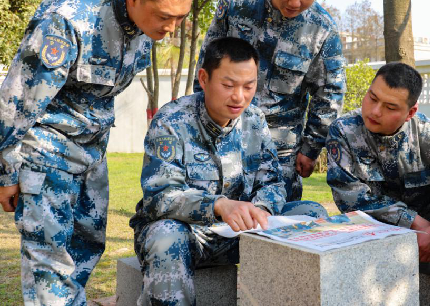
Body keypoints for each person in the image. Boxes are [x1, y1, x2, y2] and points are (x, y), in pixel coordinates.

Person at [0, 0, 195, 305]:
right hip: (45, 153)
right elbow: (16, 101)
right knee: (50, 268)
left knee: (86, 250)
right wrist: (6, 172)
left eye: (180, 18)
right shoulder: (70, 19)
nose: (171, 28)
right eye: (165, 16)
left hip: (92, 155)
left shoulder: (144, 26)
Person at [130, 36, 327, 305]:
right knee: (166, 235)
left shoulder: (254, 119)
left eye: (249, 86)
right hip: (190, 235)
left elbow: (272, 182)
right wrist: (220, 205)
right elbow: (161, 195)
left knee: (313, 214)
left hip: (241, 234)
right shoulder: (173, 121)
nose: (239, 96)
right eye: (228, 85)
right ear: (203, 78)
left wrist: (261, 211)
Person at [193, 0, 346, 202]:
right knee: (216, 220)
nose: (295, 2)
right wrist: (199, 121)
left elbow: (329, 94)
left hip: (280, 151)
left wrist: (310, 149)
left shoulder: (323, 30)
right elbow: (208, 61)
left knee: (274, 229)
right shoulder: (238, 0)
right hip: (221, 134)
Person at [326, 62, 430, 263]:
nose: (375, 111)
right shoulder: (344, 131)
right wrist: (414, 222)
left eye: (390, 107)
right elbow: (349, 197)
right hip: (371, 225)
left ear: (410, 112)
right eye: (372, 98)